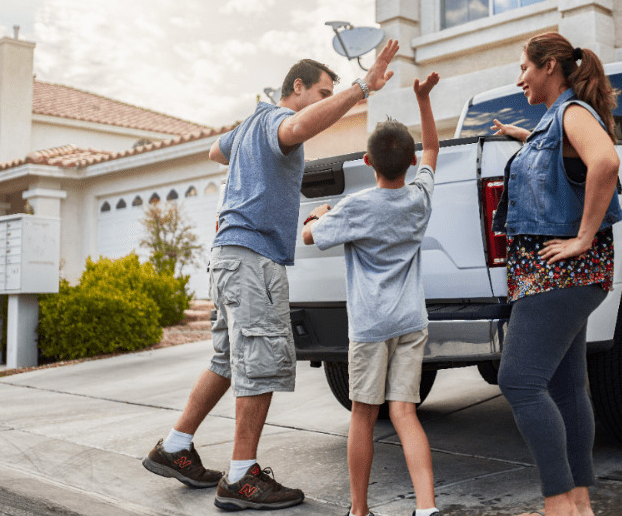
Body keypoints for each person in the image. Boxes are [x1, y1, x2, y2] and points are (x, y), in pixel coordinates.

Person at [143, 39, 400, 512]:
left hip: (229, 255)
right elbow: (298, 125)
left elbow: (212, 154)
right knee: (259, 360)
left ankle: (176, 447)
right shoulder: (278, 121)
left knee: (226, 359)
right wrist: (363, 87)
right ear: (296, 87)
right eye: (322, 93)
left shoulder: (249, 126)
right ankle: (242, 478)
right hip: (253, 258)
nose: (325, 102)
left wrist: (250, 177)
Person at [489, 32, 622, 516]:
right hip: (554, 276)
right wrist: (521, 138)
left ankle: (558, 506)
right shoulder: (557, 119)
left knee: (520, 381)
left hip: (559, 273)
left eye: (523, 67)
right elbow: (560, 159)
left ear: (549, 66)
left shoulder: (572, 113)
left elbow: (604, 161)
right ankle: (580, 505)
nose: (518, 76)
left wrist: (584, 236)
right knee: (566, 387)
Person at [302, 71, 442, 516]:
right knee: (405, 413)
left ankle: (359, 510)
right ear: (409, 160)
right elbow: (434, 150)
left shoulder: (356, 207)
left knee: (363, 415)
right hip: (410, 322)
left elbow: (308, 237)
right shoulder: (419, 198)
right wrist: (423, 100)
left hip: (370, 326)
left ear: (368, 161)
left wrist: (318, 214)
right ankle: (426, 508)